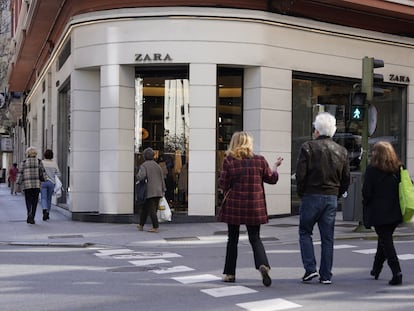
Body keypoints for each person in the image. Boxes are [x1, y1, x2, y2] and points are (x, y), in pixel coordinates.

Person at [218, 131, 283, 287]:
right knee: (255, 238)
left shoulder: (229, 161)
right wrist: (275, 166)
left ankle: (230, 273)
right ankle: (263, 264)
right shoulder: (259, 160)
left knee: (232, 239)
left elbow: (223, 184)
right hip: (255, 206)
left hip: (234, 206)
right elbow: (271, 179)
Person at [295, 112, 350, 284]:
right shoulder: (341, 151)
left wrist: (301, 193)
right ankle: (326, 275)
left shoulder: (307, 147)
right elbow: (346, 178)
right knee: (327, 238)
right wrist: (337, 193)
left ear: (317, 130)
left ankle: (310, 269)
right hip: (331, 196)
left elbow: (300, 175)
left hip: (311, 195)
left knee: (305, 232)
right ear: (333, 130)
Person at [362, 141, 403, 285]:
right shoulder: (398, 168)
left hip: (379, 212)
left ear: (377, 154)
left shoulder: (372, 170)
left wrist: (366, 205)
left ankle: (396, 272)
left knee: (386, 241)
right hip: (395, 211)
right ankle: (376, 268)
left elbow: (366, 192)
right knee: (384, 239)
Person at [136, 147, 166, 233]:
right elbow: (162, 178)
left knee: (151, 210)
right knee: (146, 208)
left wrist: (137, 175)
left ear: (145, 156)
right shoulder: (158, 166)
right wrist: (163, 189)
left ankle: (155, 227)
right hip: (158, 191)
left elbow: (141, 176)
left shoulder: (144, 165)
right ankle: (141, 225)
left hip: (149, 191)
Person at [16, 147, 48, 224]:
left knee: (28, 200)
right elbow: (42, 172)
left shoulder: (24, 162)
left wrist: (18, 183)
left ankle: (29, 213)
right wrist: (44, 179)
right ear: (35, 154)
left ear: (28, 153)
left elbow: (20, 173)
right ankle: (32, 217)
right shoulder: (39, 161)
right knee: (34, 201)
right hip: (36, 185)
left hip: (27, 185)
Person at [41, 149, 61, 221]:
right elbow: (58, 174)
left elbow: (40, 172)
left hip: (43, 182)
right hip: (51, 183)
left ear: (45, 155)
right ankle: (48, 212)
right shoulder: (54, 163)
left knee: (43, 198)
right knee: (49, 198)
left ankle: (44, 209)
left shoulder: (42, 162)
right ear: (52, 155)